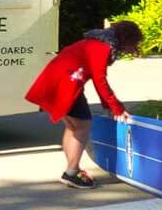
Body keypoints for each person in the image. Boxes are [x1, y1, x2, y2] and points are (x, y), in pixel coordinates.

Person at [25, 21, 143, 189]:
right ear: (126, 39)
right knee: (82, 126)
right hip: (67, 82)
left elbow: (98, 79)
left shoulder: (97, 42)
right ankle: (71, 174)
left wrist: (108, 106)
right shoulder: (102, 48)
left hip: (61, 80)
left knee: (73, 126)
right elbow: (100, 80)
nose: (131, 49)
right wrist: (117, 108)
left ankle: (73, 169)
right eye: (133, 44)